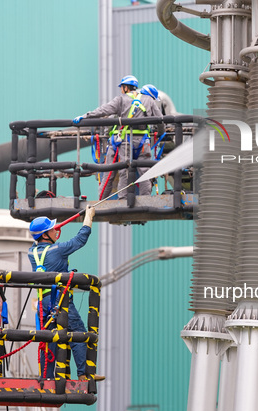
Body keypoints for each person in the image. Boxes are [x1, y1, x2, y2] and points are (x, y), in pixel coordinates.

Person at [28, 205, 95, 380]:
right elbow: (80, 239)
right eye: (51, 229)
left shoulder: (31, 252)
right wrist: (89, 217)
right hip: (61, 300)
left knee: (48, 340)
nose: (55, 231)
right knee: (78, 334)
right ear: (44, 234)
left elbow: (44, 244)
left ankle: (47, 377)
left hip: (43, 303)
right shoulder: (57, 250)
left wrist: (49, 231)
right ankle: (83, 374)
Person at [73, 75, 164, 199]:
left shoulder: (121, 99)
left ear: (126, 87)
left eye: (122, 87)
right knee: (145, 173)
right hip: (144, 142)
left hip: (125, 141)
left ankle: (122, 200)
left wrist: (85, 116)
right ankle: (146, 201)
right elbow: (160, 121)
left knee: (123, 171)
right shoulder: (149, 100)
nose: (121, 90)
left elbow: (103, 110)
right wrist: (160, 134)